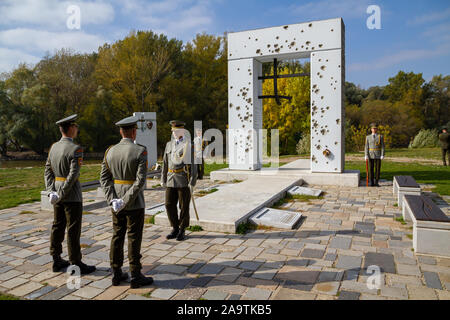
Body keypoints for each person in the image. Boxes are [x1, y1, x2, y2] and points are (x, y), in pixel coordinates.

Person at [100, 116, 153, 288]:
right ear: (133, 131)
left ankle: (116, 273)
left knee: (117, 236)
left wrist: (113, 199)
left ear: (121, 131)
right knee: (133, 237)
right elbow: (140, 181)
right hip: (134, 202)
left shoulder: (110, 151)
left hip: (116, 201)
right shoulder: (140, 151)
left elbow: (104, 179)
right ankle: (135, 274)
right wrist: (125, 200)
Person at [44, 114, 96, 274]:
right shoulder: (76, 149)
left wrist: (51, 191)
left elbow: (47, 170)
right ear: (71, 128)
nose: (77, 129)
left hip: (57, 193)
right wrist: (60, 192)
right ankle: (75, 261)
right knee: (73, 229)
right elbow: (73, 175)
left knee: (57, 226)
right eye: (76, 126)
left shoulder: (54, 147)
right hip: (71, 194)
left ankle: (56, 259)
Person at [161, 120, 197, 241]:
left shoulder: (189, 145)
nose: (174, 133)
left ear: (182, 131)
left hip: (183, 178)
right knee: (168, 204)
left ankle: (182, 229)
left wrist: (192, 182)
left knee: (183, 206)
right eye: (173, 131)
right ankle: (175, 227)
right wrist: (163, 179)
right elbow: (165, 163)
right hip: (170, 178)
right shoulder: (168, 145)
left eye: (177, 131)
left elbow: (194, 165)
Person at [364, 123, 385, 187]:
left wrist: (382, 154)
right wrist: (366, 155)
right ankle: (372, 182)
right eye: (373, 128)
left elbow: (382, 146)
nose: (374, 129)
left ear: (377, 129)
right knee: (371, 169)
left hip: (378, 154)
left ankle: (377, 182)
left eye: (375, 128)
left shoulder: (380, 136)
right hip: (370, 155)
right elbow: (366, 147)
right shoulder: (368, 137)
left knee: (377, 169)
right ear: (371, 129)